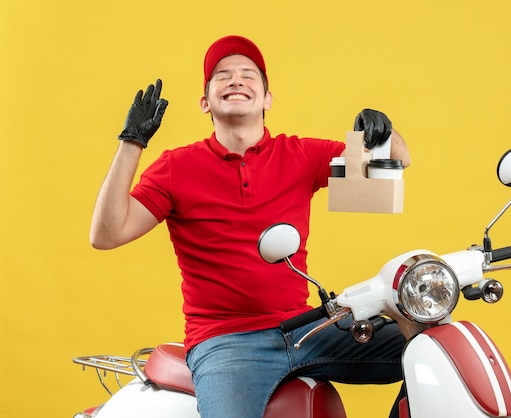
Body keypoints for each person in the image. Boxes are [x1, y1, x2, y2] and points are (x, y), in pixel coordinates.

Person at [90, 35, 412, 418]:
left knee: (431, 349)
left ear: (267, 98)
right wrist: (132, 141)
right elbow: (106, 235)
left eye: (248, 75)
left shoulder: (301, 155)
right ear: (205, 102)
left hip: (306, 329)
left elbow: (398, 160)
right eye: (222, 75)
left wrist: (381, 135)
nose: (236, 80)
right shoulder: (176, 166)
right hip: (226, 343)